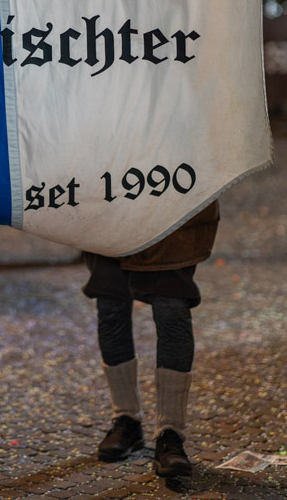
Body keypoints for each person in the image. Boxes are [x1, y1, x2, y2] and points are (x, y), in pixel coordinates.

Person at [83, 199, 219, 479]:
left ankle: (171, 434)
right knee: (110, 305)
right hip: (109, 203)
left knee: (172, 309)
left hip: (169, 203)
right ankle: (126, 420)